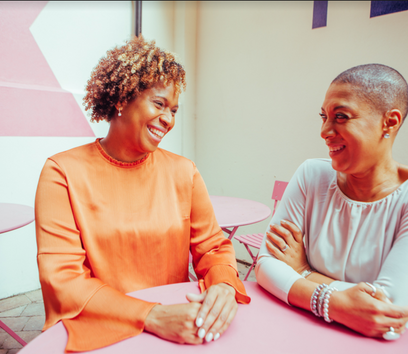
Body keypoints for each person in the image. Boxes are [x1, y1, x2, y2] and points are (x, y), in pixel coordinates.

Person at [35, 36, 250, 352]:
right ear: (122, 98)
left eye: (174, 110)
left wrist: (223, 285)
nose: (169, 119)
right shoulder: (62, 172)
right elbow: (64, 279)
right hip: (105, 328)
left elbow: (213, 246)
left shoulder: (183, 172)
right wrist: (153, 316)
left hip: (179, 327)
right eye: (160, 104)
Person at [255, 64, 408, 354]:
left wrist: (303, 272)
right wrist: (333, 303)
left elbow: (383, 308)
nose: (324, 131)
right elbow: (266, 264)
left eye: (341, 117)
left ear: (390, 122)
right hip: (330, 329)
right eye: (324, 117)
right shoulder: (311, 175)